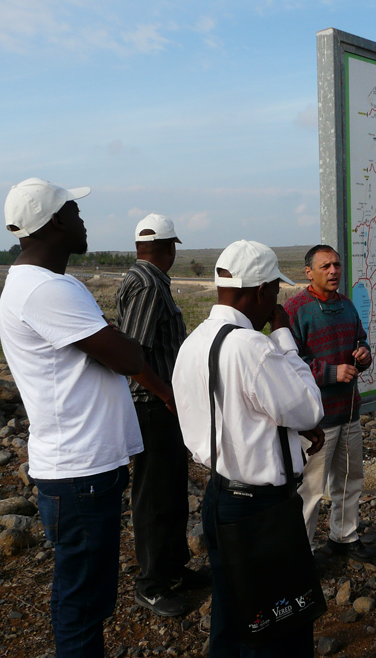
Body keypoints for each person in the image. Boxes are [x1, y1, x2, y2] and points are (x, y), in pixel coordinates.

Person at [0, 178, 145, 658]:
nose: (84, 222)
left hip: (83, 468)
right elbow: (124, 355)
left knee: (86, 595)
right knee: (82, 603)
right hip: (78, 472)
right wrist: (126, 345)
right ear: (55, 221)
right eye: (75, 212)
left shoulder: (47, 284)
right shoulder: (44, 291)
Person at [172, 239, 325, 658]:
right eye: (275, 294)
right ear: (260, 292)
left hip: (220, 497)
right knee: (278, 625)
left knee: (231, 611)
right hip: (262, 510)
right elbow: (309, 408)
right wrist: (282, 336)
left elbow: (233, 417)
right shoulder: (252, 347)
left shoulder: (194, 341)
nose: (276, 304)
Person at [116, 213, 209, 618]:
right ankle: (151, 584)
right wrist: (166, 392)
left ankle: (173, 570)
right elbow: (132, 353)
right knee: (154, 497)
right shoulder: (150, 286)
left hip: (158, 406)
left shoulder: (139, 280)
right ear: (170, 249)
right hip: (152, 407)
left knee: (171, 490)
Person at [284, 244, 373, 560]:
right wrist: (331, 372)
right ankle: (301, 553)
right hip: (315, 420)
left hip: (348, 412)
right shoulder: (294, 309)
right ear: (308, 272)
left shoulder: (347, 305)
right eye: (325, 266)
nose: (334, 271)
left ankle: (344, 537)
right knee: (310, 489)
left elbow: (360, 341)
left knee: (350, 481)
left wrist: (363, 355)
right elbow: (288, 363)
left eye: (336, 264)